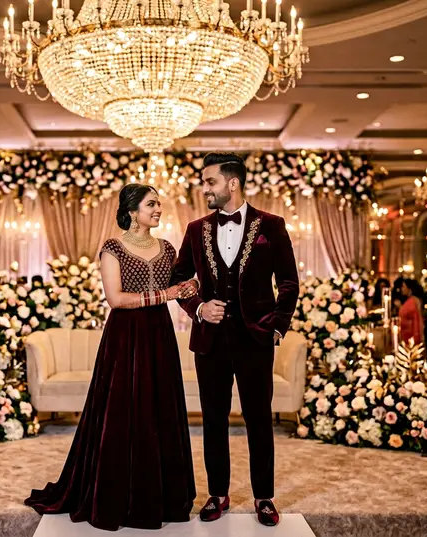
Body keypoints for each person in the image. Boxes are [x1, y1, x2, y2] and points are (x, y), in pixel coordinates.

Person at [25, 184, 199, 531]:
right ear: (132, 211)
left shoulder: (167, 248)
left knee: (159, 406)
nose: (158, 209)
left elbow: (181, 288)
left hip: (159, 334)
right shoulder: (112, 248)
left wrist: (192, 288)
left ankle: (162, 496)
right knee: (122, 409)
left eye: (159, 204)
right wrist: (166, 293)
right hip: (125, 337)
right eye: (151, 204)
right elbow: (116, 299)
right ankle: (117, 495)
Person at [171, 152, 299, 527]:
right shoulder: (195, 229)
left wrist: (276, 325)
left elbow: (289, 281)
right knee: (213, 419)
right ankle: (217, 494)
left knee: (259, 419)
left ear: (233, 183)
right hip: (209, 341)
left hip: (255, 339)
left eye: (210, 182)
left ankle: (264, 497)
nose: (204, 189)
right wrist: (197, 307)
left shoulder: (272, 225)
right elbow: (179, 279)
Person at [398, 279, 424, 345]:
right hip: (406, 334)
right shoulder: (409, 301)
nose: (402, 289)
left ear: (409, 289)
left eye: (403, 287)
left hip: (410, 336)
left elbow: (416, 320)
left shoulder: (412, 302)